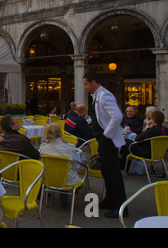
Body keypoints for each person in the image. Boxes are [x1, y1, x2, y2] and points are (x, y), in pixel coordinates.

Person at [83, 72, 127, 218]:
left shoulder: (104, 95)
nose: (85, 87)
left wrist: (106, 135)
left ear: (94, 82)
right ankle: (110, 199)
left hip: (108, 140)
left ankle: (121, 206)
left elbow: (118, 116)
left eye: (86, 84)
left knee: (113, 173)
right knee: (106, 171)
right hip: (103, 139)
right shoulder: (97, 96)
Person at [40, 123, 85, 207]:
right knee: (66, 173)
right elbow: (75, 165)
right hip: (67, 179)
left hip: (48, 179)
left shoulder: (43, 148)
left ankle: (63, 199)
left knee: (61, 173)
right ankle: (64, 201)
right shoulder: (69, 147)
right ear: (60, 134)